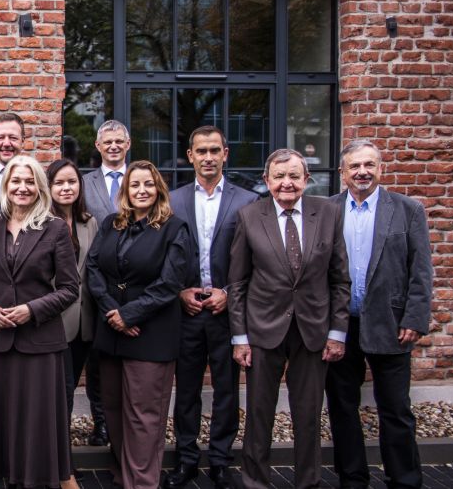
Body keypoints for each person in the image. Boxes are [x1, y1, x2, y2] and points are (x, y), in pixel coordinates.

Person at [227, 148, 350, 489]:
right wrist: (240, 338)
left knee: (308, 415)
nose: (286, 183)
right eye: (279, 176)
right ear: (266, 181)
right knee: (259, 414)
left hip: (313, 330)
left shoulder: (328, 213)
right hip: (263, 330)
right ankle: (255, 482)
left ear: (306, 179)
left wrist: (338, 332)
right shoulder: (250, 216)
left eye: (294, 176)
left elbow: (340, 279)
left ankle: (308, 482)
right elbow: (237, 283)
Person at [0, 155, 80, 488]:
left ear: (39, 187)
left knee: (36, 421)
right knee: (1, 420)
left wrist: (32, 310)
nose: (22, 187)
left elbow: (70, 288)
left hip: (39, 342)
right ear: (6, 185)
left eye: (30, 181)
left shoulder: (55, 228)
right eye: (16, 181)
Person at [326, 140, 432, 489]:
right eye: (355, 166)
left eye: (370, 164)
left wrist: (415, 318)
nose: (362, 172)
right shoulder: (327, 211)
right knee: (342, 407)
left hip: (392, 324)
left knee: (396, 410)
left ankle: (404, 479)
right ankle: (352, 477)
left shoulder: (407, 210)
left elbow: (421, 270)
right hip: (342, 325)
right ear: (342, 173)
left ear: (381, 169)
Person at [86, 160, 192, 489]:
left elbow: (170, 283)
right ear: (125, 191)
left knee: (144, 415)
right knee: (114, 409)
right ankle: (123, 475)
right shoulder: (110, 224)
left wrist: (130, 314)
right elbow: (93, 269)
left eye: (148, 184)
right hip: (112, 332)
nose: (141, 190)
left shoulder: (175, 228)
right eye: (135, 185)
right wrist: (112, 312)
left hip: (151, 334)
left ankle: (143, 482)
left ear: (158, 188)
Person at [165, 126, 259, 489]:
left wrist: (230, 293)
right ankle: (186, 459)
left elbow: (254, 260)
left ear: (225, 153)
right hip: (186, 312)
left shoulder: (247, 201)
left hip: (226, 312)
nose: (208, 157)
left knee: (226, 389)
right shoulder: (173, 200)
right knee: (186, 390)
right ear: (190, 155)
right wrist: (178, 293)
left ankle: (220, 459)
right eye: (200, 151)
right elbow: (163, 258)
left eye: (214, 150)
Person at [45, 159, 103, 473]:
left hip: (85, 321)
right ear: (49, 187)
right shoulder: (41, 222)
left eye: (72, 182)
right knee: (61, 392)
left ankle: (58, 458)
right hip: (54, 320)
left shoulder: (89, 222)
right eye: (59, 183)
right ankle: (59, 463)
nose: (67, 188)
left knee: (71, 387)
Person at [82, 120, 130, 232]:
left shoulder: (140, 181)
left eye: (119, 141)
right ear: (98, 146)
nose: (113, 146)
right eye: (108, 142)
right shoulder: (84, 183)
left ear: (127, 144)